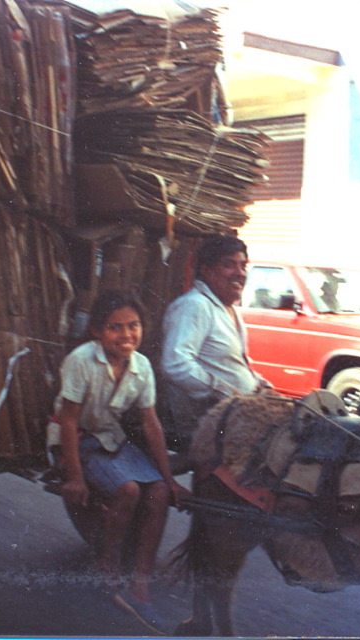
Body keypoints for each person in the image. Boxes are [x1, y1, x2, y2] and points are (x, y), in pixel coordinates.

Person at [56, 289, 186, 635]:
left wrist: (170, 478)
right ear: (98, 331)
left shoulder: (141, 366)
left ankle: (139, 584)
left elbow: (150, 423)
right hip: (79, 440)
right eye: (115, 327)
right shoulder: (82, 360)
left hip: (110, 437)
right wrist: (75, 477)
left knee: (158, 492)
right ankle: (108, 565)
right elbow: (68, 421)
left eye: (133, 326)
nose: (126, 335)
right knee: (128, 489)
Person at [161, 235, 271, 455]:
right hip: (208, 426)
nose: (239, 272)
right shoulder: (194, 306)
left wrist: (260, 384)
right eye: (229, 265)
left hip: (237, 416)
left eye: (243, 265)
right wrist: (226, 393)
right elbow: (175, 364)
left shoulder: (229, 309)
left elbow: (230, 365)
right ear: (208, 271)